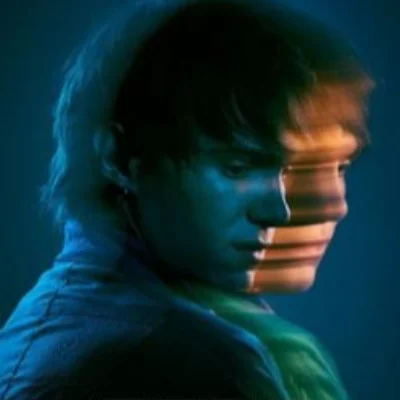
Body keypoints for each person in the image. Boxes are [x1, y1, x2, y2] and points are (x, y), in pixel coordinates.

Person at [0, 0, 374, 398]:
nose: (280, 211)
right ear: (121, 159)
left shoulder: (45, 318)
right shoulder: (210, 364)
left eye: (340, 166)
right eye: (238, 168)